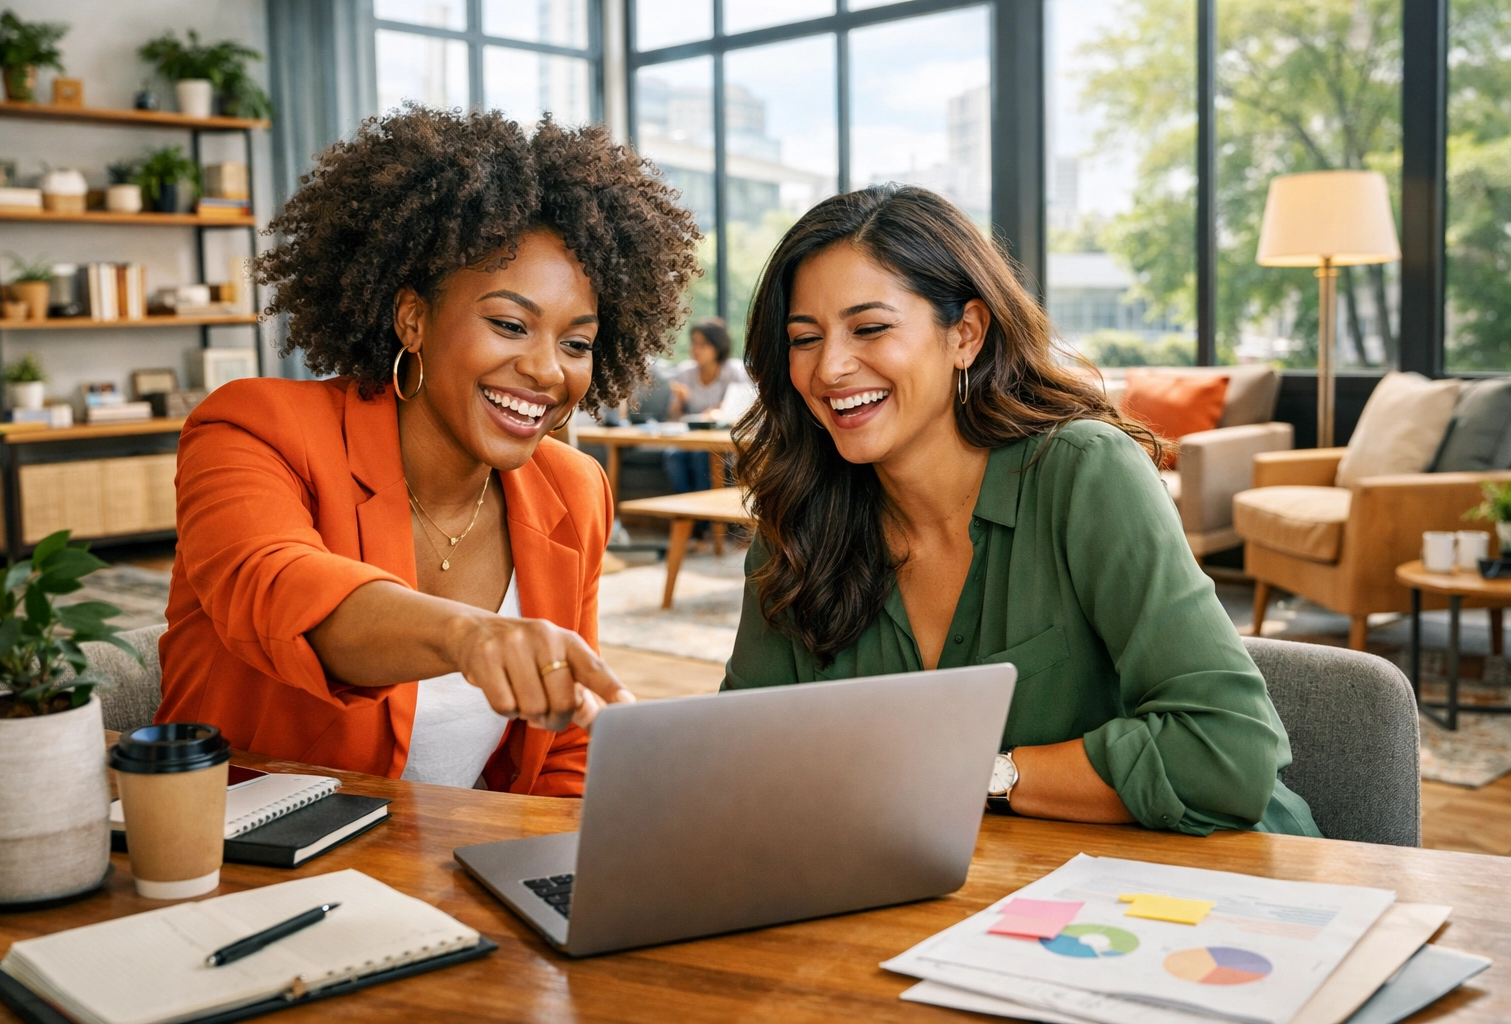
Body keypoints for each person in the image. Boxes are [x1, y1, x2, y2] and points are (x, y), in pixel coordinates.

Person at [725, 184, 1319, 837]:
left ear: (966, 335)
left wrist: (978, 774)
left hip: (1199, 886)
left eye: (870, 328)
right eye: (804, 338)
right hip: (955, 895)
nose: (830, 367)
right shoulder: (797, 526)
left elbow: (1226, 754)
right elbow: (748, 757)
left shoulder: (1085, 474)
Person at [158, 108, 702, 795]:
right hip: (250, 870)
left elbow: (564, 747)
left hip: (456, 876)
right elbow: (281, 593)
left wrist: (564, 872)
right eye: (510, 324)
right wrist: (470, 638)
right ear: (413, 318)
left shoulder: (574, 488)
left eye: (576, 343)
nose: (545, 370)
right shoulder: (255, 427)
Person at [663, 318, 749, 494]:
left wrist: (720, 411)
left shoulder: (734, 371)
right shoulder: (685, 372)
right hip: (691, 439)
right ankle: (687, 513)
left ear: (717, 347)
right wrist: (680, 401)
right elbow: (673, 418)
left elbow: (743, 410)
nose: (695, 349)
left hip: (721, 441)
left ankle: (704, 519)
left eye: (702, 344)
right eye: (694, 342)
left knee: (701, 456)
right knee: (672, 455)